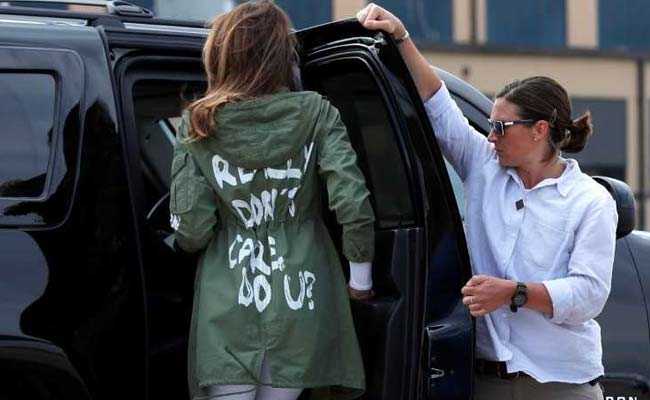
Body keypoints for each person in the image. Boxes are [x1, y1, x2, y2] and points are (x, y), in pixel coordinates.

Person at [357, 4, 617, 400]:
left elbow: (588, 296)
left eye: (500, 127)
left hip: (561, 384)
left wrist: (513, 292)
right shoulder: (484, 165)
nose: (491, 136)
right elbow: (437, 104)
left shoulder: (590, 201)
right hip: (485, 381)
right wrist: (401, 38)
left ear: (539, 130)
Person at [169, 1, 375, 399]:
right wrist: (360, 280)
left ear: (223, 55)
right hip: (302, 293)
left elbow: (192, 230)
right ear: (283, 56)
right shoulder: (317, 113)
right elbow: (352, 201)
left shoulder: (198, 123)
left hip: (227, 299)